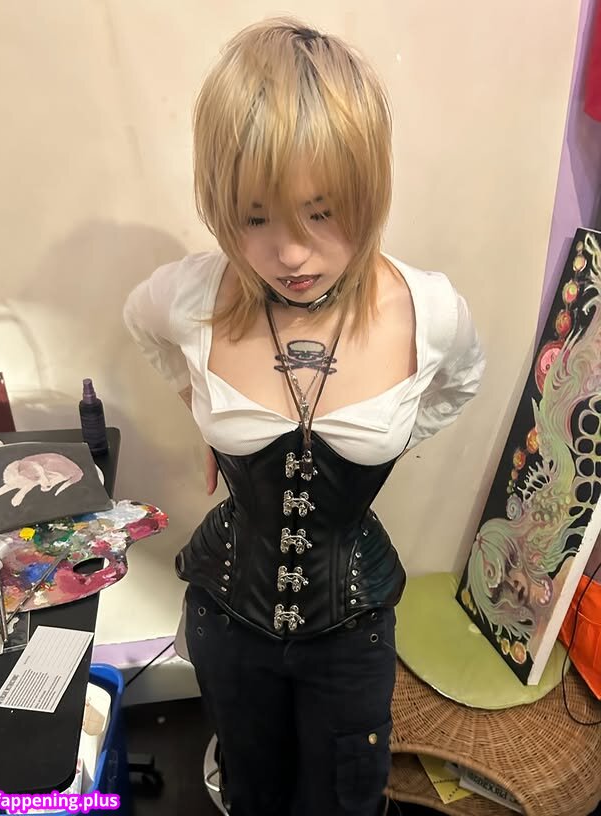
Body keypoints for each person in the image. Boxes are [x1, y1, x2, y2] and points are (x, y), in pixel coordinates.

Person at [123, 16, 486, 816]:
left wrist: (391, 435)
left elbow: (462, 381)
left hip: (350, 631)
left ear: (367, 191)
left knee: (344, 799)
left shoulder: (429, 311)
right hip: (226, 618)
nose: (291, 254)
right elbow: (142, 328)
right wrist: (201, 410)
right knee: (251, 789)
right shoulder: (188, 296)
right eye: (255, 218)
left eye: (322, 212)